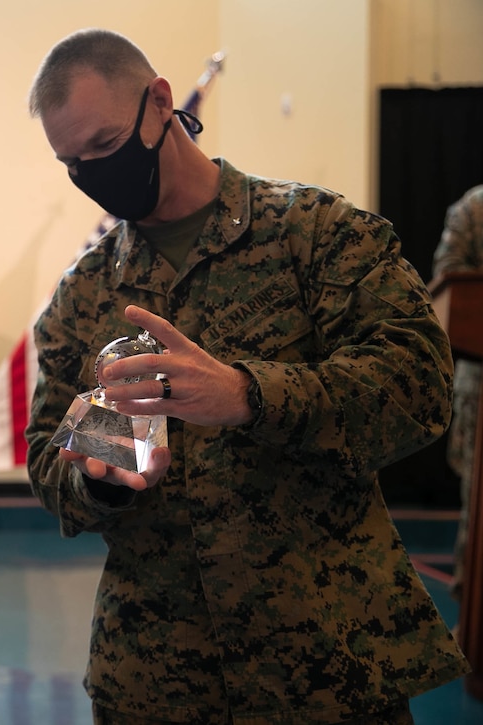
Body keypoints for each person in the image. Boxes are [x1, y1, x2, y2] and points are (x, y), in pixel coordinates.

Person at [24, 29, 468, 724]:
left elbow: (419, 382)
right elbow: (50, 459)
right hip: (157, 676)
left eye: (105, 148)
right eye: (72, 163)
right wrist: (99, 474)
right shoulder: (82, 295)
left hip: (328, 665)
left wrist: (249, 394)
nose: (93, 174)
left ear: (160, 103)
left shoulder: (315, 234)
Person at [432, 184, 483, 602]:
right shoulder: (475, 207)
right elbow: (448, 276)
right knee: (479, 511)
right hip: (480, 388)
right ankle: (472, 618)